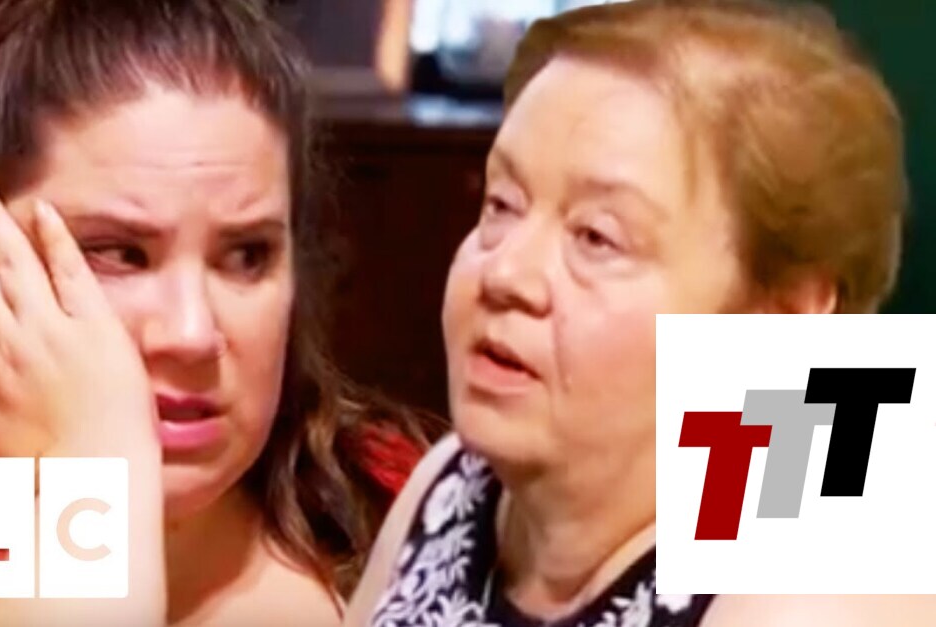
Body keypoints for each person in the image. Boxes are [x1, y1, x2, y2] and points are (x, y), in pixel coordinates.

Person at [0, 0, 434, 625]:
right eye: (117, 253)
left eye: (248, 254)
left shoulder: (391, 500)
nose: (192, 334)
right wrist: (91, 475)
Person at [346, 0, 936, 625]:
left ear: (780, 318)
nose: (504, 274)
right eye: (502, 203)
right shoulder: (452, 478)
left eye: (596, 237)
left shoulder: (825, 585)